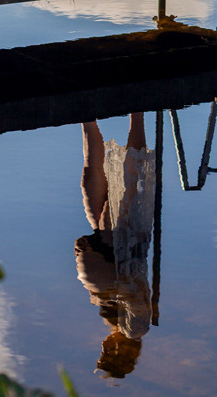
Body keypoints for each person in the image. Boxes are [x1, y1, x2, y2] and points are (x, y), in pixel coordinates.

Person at [74, 115, 155, 379]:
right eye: (106, 355)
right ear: (120, 355)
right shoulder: (136, 329)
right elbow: (134, 295)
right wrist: (104, 293)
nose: (102, 349)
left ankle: (87, 116)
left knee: (92, 174)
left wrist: (94, 286)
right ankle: (136, 113)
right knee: (129, 175)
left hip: (104, 242)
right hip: (122, 242)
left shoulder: (120, 327)